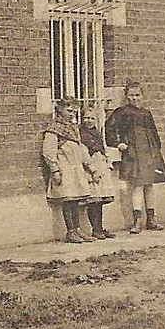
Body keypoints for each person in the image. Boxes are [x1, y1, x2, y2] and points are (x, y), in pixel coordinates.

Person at [106, 79, 165, 232]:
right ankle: (137, 221)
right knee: (137, 186)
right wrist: (118, 143)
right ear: (126, 96)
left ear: (143, 96)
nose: (135, 98)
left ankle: (152, 219)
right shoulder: (122, 112)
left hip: (149, 151)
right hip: (133, 152)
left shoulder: (146, 113)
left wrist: (156, 150)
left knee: (149, 185)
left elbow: (154, 132)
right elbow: (110, 128)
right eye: (131, 95)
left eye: (138, 95)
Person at [42, 99, 95, 243]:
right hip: (64, 168)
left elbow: (81, 148)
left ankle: (78, 229)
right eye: (69, 111)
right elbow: (48, 151)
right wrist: (55, 170)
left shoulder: (73, 128)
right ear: (59, 110)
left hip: (75, 168)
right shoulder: (53, 129)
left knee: (76, 200)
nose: (72, 114)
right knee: (68, 199)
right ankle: (70, 231)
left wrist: (89, 166)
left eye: (74, 111)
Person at [78, 107, 119, 239]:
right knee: (93, 201)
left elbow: (104, 149)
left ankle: (99, 228)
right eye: (86, 118)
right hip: (91, 169)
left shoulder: (97, 134)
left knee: (100, 201)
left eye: (92, 118)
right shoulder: (81, 134)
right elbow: (84, 154)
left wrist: (108, 163)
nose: (89, 121)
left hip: (101, 167)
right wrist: (93, 171)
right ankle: (95, 229)